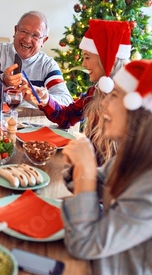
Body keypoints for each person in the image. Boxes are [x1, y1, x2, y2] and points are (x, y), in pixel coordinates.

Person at [61, 55, 152, 275]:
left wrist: (85, 171)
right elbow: (96, 184)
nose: (103, 104)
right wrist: (80, 168)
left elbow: (84, 244)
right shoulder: (138, 155)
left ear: (140, 112)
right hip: (112, 268)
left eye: (114, 96)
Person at [27, 19, 131, 165]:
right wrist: (46, 101)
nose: (83, 64)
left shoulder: (129, 103)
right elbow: (68, 117)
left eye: (87, 57)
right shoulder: (95, 92)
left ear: (107, 59)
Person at [0, 11, 73, 106]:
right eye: (24, 31)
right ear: (15, 31)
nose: (27, 39)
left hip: (32, 123)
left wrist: (41, 97)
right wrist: (1, 80)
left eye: (35, 35)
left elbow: (67, 101)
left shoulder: (48, 65)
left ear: (44, 41)